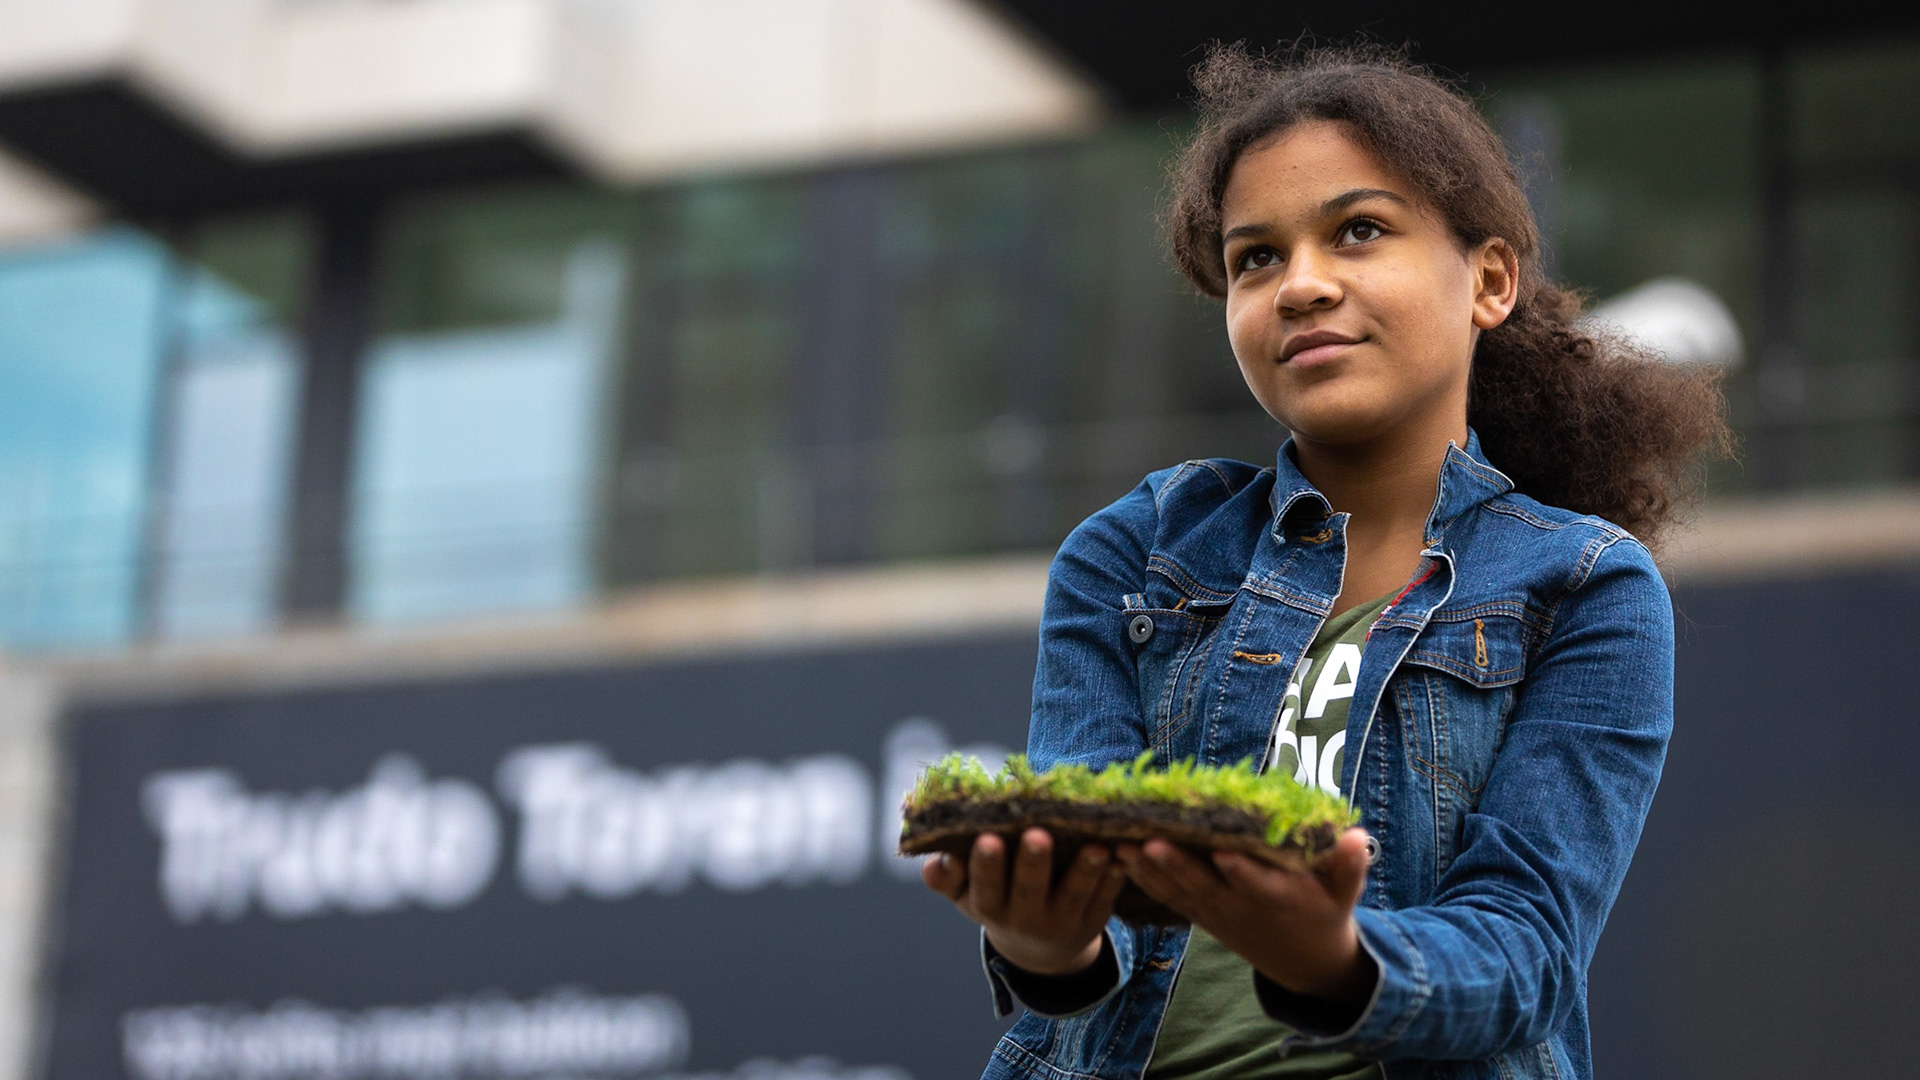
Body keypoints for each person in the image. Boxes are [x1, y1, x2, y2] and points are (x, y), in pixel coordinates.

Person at [918, 44, 1730, 1080]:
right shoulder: (1136, 549)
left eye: (1358, 231)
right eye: (1256, 258)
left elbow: (1526, 950)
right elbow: (1085, 912)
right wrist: (1047, 943)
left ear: (1488, 281)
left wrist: (1333, 959)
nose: (1300, 285)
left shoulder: (1585, 585)